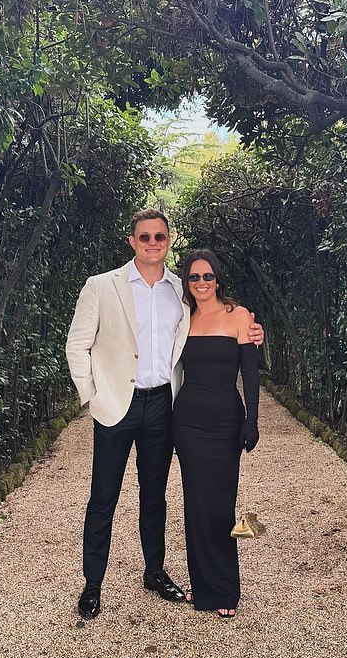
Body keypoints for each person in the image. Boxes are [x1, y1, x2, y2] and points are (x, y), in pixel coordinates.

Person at [65, 209, 263, 619]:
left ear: (168, 241)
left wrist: (254, 334)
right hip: (117, 405)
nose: (152, 242)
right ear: (132, 241)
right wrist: (94, 397)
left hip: (164, 405)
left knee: (154, 496)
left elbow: (221, 330)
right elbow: (76, 346)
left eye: (159, 236)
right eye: (144, 237)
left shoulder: (181, 291)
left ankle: (154, 572)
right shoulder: (102, 286)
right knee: (103, 497)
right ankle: (92, 583)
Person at [172, 249, 260, 618]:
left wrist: (251, 421)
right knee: (195, 503)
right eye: (194, 278)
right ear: (187, 284)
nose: (202, 283)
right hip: (187, 422)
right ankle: (203, 585)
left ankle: (225, 589)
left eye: (208, 277)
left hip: (225, 421)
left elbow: (251, 374)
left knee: (221, 504)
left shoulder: (239, 316)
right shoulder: (181, 319)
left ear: (218, 279)